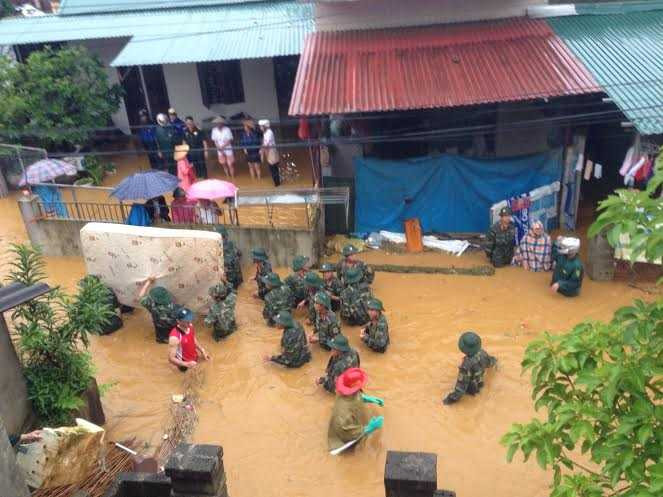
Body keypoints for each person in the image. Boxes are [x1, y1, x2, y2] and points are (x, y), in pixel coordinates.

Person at [328, 368, 384, 453]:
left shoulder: (344, 392)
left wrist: (367, 398)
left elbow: (354, 396)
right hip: (342, 442)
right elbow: (345, 432)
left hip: (350, 423)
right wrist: (369, 428)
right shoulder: (342, 413)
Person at [443, 331, 497, 405]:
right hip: (480, 383)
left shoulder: (465, 367)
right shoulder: (482, 353)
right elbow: (491, 362)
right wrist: (497, 365)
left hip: (472, 389)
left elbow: (460, 389)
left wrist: (449, 400)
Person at [168, 307, 210, 371]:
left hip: (194, 358)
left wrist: (202, 350)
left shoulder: (190, 326)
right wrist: (186, 364)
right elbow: (171, 358)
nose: (189, 322)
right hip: (184, 365)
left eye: (190, 319)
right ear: (178, 321)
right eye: (186, 321)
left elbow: (193, 339)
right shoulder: (174, 338)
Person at [259, 119, 281, 187]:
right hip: (269, 151)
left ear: (265, 126)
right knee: (273, 168)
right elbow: (264, 143)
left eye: (261, 126)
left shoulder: (269, 133)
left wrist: (261, 152)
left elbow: (266, 144)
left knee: (273, 167)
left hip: (271, 151)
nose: (260, 128)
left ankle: (277, 183)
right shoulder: (266, 132)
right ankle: (277, 182)